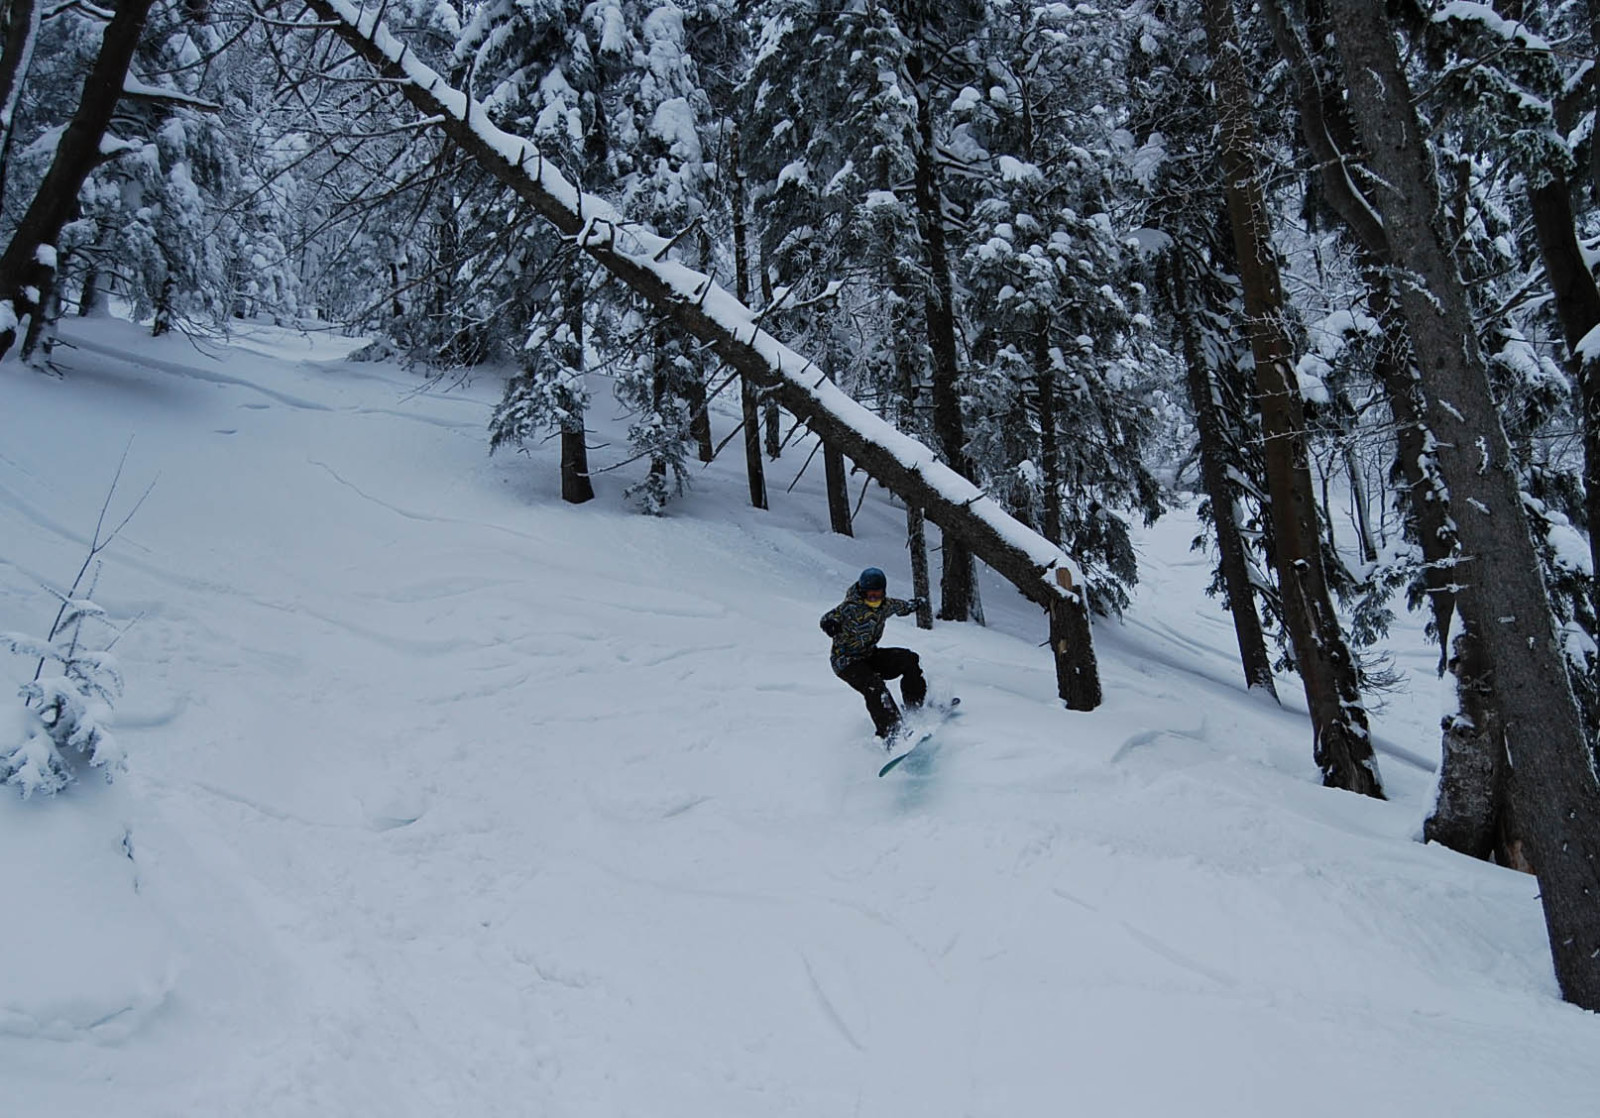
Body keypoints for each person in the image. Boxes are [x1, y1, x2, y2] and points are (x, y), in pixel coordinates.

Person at [819, 567, 929, 740]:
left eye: (877, 595)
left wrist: (915, 604)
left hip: (869, 655)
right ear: (862, 593)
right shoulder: (850, 607)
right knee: (874, 686)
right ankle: (892, 733)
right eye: (870, 595)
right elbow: (828, 617)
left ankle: (915, 708)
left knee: (909, 659)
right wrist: (830, 624)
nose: (874, 599)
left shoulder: (886, 605)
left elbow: (903, 608)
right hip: (846, 662)